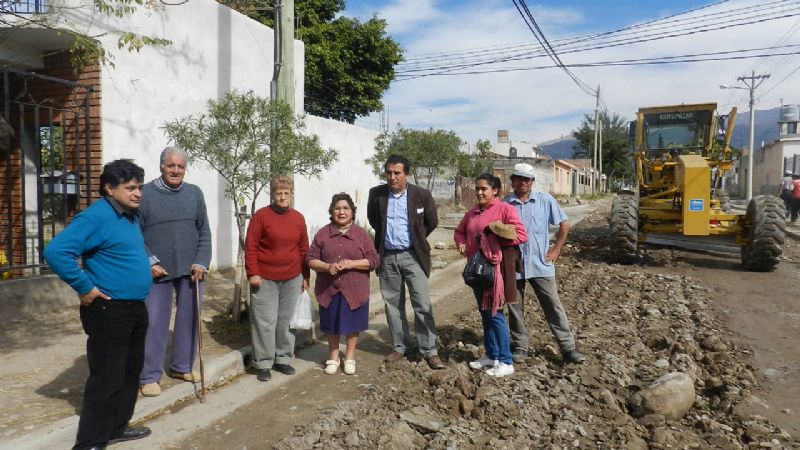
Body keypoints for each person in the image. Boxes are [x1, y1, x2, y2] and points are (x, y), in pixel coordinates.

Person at [43, 160, 152, 450]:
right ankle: (90, 441)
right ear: (109, 188)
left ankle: (116, 427)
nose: (138, 193)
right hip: (109, 310)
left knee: (130, 372)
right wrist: (84, 287)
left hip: (135, 307)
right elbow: (55, 251)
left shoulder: (129, 215)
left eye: (139, 187)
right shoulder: (96, 216)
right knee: (107, 376)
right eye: (130, 188)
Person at [138, 147, 212, 397]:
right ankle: (149, 375)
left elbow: (204, 231)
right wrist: (149, 261)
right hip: (157, 271)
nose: (176, 170)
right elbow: (134, 234)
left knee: (189, 319)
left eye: (180, 166)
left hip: (191, 270)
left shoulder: (194, 193)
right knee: (154, 321)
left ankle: (181, 367)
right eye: (171, 165)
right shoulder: (145, 194)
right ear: (161, 166)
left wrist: (201, 261)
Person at [367, 155, 444, 370]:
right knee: (392, 304)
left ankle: (429, 350)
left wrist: (418, 239)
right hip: (388, 256)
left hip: (413, 256)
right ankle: (400, 346)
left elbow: (432, 221)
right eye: (389, 172)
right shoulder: (377, 195)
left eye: (397, 173)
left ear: (406, 174)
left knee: (421, 303)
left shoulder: (421, 195)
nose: (392, 177)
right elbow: (374, 221)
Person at [503, 163, 585, 364]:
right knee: (515, 308)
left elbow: (564, 224)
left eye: (527, 179)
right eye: (519, 178)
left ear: (532, 182)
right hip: (513, 265)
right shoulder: (504, 204)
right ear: (512, 180)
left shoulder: (545, 200)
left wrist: (557, 249)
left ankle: (568, 348)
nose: (523, 182)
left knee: (553, 306)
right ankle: (520, 346)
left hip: (540, 264)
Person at [454, 173, 527, 377]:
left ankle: (506, 360)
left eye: (483, 188)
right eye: (477, 188)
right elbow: (459, 231)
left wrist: (497, 234)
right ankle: (491, 355)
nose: (479, 192)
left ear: (495, 190)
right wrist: (460, 242)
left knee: (495, 315)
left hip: (497, 272)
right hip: (478, 272)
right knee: (485, 313)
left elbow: (521, 234)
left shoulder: (505, 209)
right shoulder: (472, 213)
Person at [306, 193, 379, 375]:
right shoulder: (323, 233)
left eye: (345, 208)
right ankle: (333, 356)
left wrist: (352, 264)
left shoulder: (361, 234)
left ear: (352, 212)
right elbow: (310, 258)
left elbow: (373, 260)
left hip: (355, 288)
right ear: (331, 212)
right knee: (332, 324)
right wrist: (326, 266)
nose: (341, 212)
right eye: (337, 208)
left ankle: (350, 356)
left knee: (353, 325)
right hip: (329, 288)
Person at [245, 175, 310, 382]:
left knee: (285, 322)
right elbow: (251, 246)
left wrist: (305, 276)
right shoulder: (261, 216)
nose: (282, 197)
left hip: (292, 277)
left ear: (292, 195)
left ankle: (283, 358)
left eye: (286, 193)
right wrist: (252, 273)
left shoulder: (298, 218)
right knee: (265, 322)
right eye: (278, 193)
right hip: (265, 278)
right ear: (272, 195)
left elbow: (303, 249)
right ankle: (263, 362)